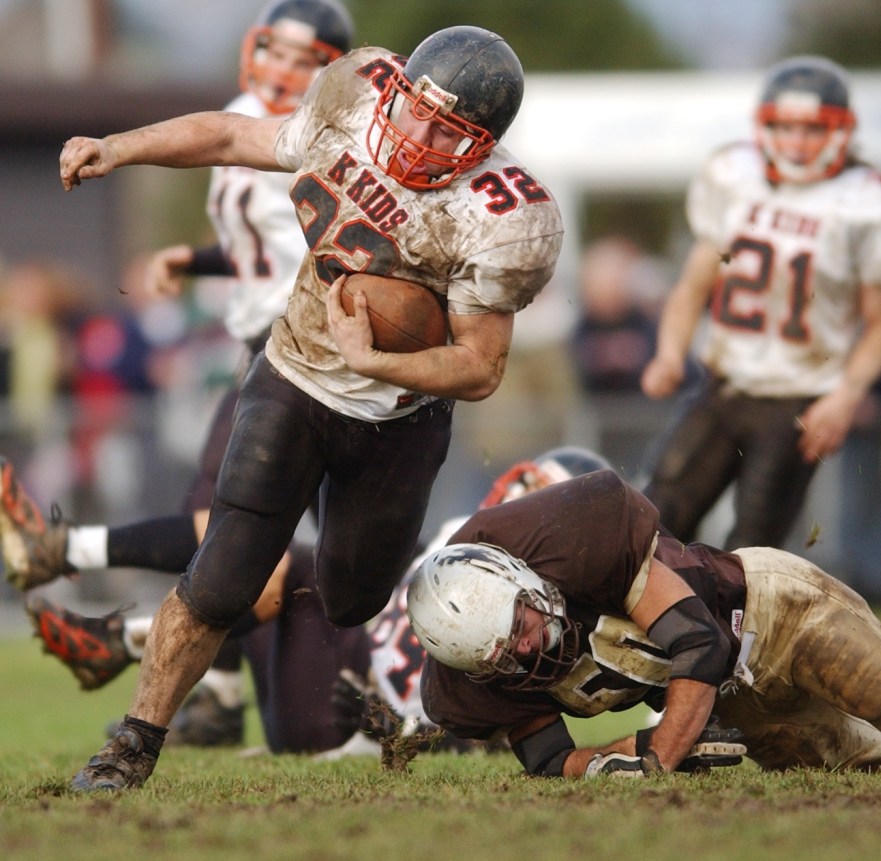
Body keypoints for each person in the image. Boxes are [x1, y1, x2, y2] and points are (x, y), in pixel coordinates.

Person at [55, 24, 563, 791]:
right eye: (417, 109)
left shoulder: (503, 215)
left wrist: (378, 359)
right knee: (219, 576)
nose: (419, 134)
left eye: (448, 129)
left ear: (483, 145)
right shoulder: (351, 94)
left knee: (355, 595)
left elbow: (481, 366)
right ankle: (132, 743)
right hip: (291, 376)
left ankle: (444, 703)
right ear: (396, 90)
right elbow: (231, 132)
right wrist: (118, 145)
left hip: (398, 421)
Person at [1, 0, 358, 747]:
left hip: (300, 354)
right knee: (242, 534)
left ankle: (86, 581)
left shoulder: (321, 143)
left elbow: (316, 251)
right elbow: (262, 242)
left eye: (303, 59)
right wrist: (191, 259)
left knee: (253, 536)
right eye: (275, 50)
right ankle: (219, 690)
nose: (281, 69)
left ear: (329, 73)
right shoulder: (252, 117)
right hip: (266, 344)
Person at [406, 469, 881, 776]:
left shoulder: (574, 539)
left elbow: (696, 642)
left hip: (774, 615)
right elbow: (548, 758)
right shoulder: (468, 687)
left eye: (519, 625)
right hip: (734, 698)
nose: (528, 649)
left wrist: (660, 758)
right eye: (503, 656)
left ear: (521, 579)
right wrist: (620, 756)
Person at [19, 447, 609, 759]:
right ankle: (83, 566)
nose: (523, 501)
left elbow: (514, 702)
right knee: (258, 543)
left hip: (348, 709)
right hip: (341, 684)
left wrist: (420, 731)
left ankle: (104, 606)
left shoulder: (548, 597)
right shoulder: (478, 536)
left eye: (540, 495)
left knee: (278, 558)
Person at [640, 56, 881, 549]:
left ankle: (732, 630)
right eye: (784, 127)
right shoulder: (734, 177)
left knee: (753, 546)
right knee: (655, 523)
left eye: (812, 129)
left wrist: (845, 395)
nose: (796, 142)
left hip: (798, 401)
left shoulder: (872, 205)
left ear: (841, 131)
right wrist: (669, 353)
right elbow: (691, 287)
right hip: (723, 387)